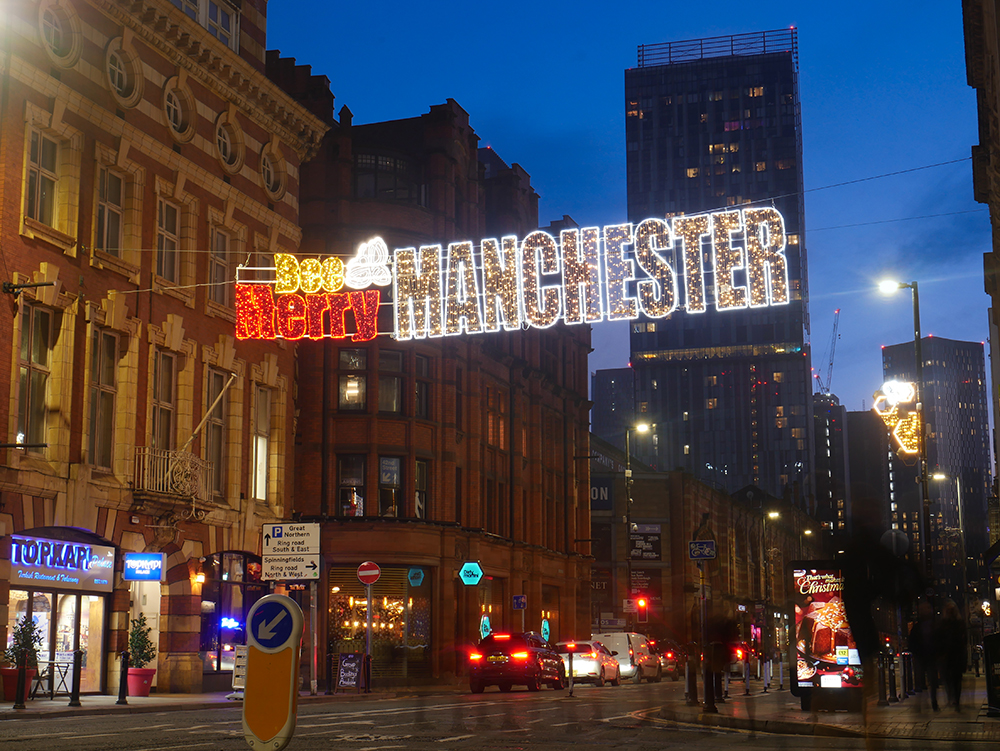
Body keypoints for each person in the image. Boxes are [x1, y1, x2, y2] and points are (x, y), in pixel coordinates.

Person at [936, 599, 967, 711]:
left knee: (955, 679)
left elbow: (964, 641)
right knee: (950, 679)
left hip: (954, 656)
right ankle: (952, 698)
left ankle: (955, 699)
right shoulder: (945, 624)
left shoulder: (957, 624)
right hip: (948, 656)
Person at [908, 600, 939, 711]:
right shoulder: (919, 627)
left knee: (932, 680)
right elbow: (912, 642)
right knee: (921, 679)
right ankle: (923, 701)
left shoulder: (933, 625)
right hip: (922, 656)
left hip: (930, 656)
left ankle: (932, 701)